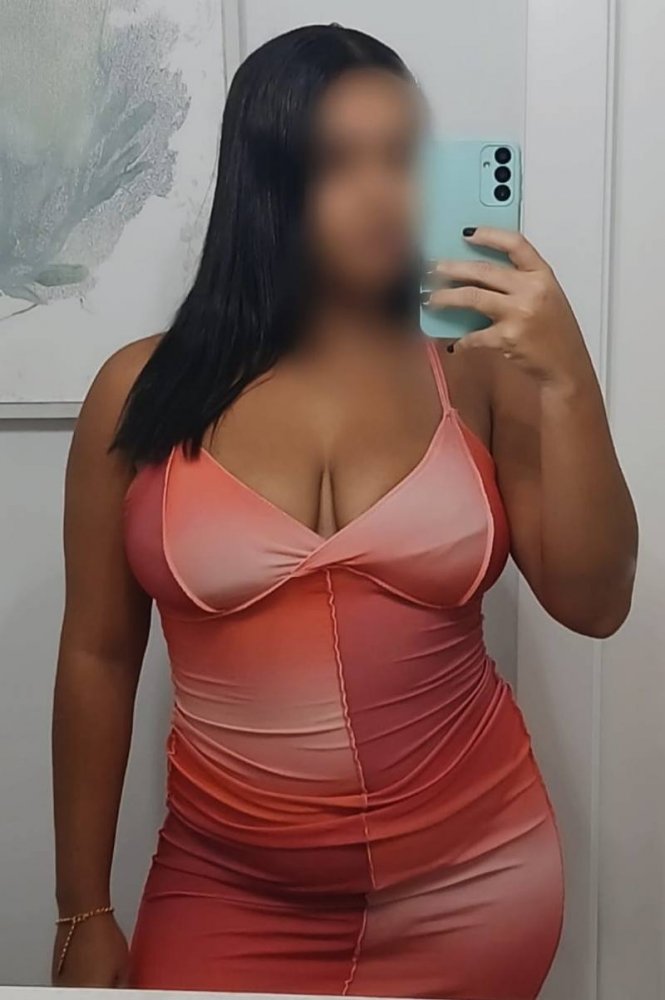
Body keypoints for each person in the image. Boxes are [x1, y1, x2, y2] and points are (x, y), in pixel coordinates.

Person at [51, 23, 637, 999]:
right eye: (337, 162)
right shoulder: (139, 390)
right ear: (266, 180)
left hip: (477, 879)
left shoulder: (474, 369)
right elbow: (98, 654)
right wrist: (82, 907)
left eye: (401, 157)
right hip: (227, 893)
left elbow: (596, 601)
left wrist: (568, 377)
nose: (380, 193)